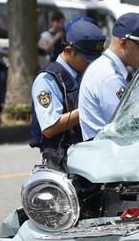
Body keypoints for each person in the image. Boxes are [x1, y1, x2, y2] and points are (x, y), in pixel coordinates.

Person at [30, 17, 106, 168]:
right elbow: (49, 128)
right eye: (86, 59)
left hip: (91, 158)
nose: (91, 63)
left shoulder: (87, 73)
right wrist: (88, 109)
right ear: (69, 51)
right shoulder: (48, 80)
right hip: (62, 163)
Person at [78, 13, 139, 140]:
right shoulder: (110, 77)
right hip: (107, 154)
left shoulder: (105, 67)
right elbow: (126, 127)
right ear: (124, 43)